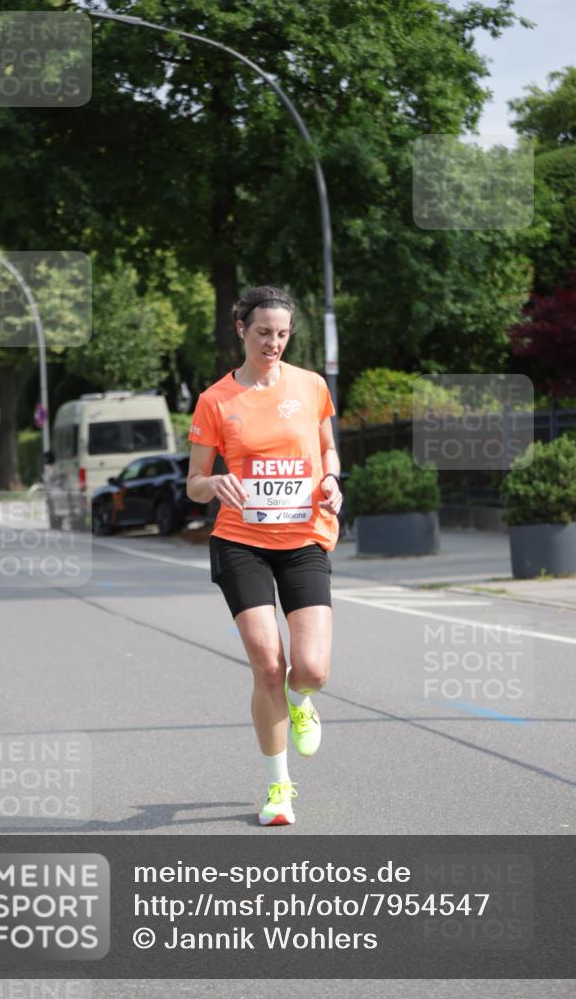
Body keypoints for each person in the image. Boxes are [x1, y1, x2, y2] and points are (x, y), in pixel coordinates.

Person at [186, 285, 342, 826]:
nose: (273, 343)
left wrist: (332, 480)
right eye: (262, 333)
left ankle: (302, 704)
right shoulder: (215, 400)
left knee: (312, 669)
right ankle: (279, 789)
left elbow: (327, 448)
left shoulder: (311, 385)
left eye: (281, 334)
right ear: (241, 330)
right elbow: (194, 483)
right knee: (270, 667)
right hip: (240, 542)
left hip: (303, 539)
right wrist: (214, 483)